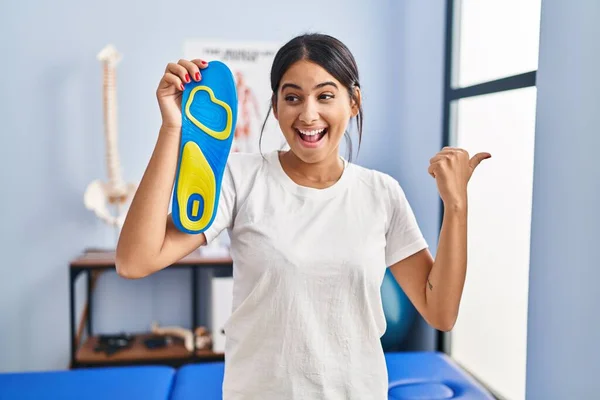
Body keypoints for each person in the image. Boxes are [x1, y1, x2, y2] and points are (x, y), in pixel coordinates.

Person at [116, 33, 490, 400]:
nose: (308, 114)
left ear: (353, 101)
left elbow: (441, 313)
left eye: (325, 96)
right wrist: (171, 128)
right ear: (275, 107)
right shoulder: (240, 178)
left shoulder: (381, 193)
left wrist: (456, 206)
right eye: (292, 97)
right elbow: (135, 261)